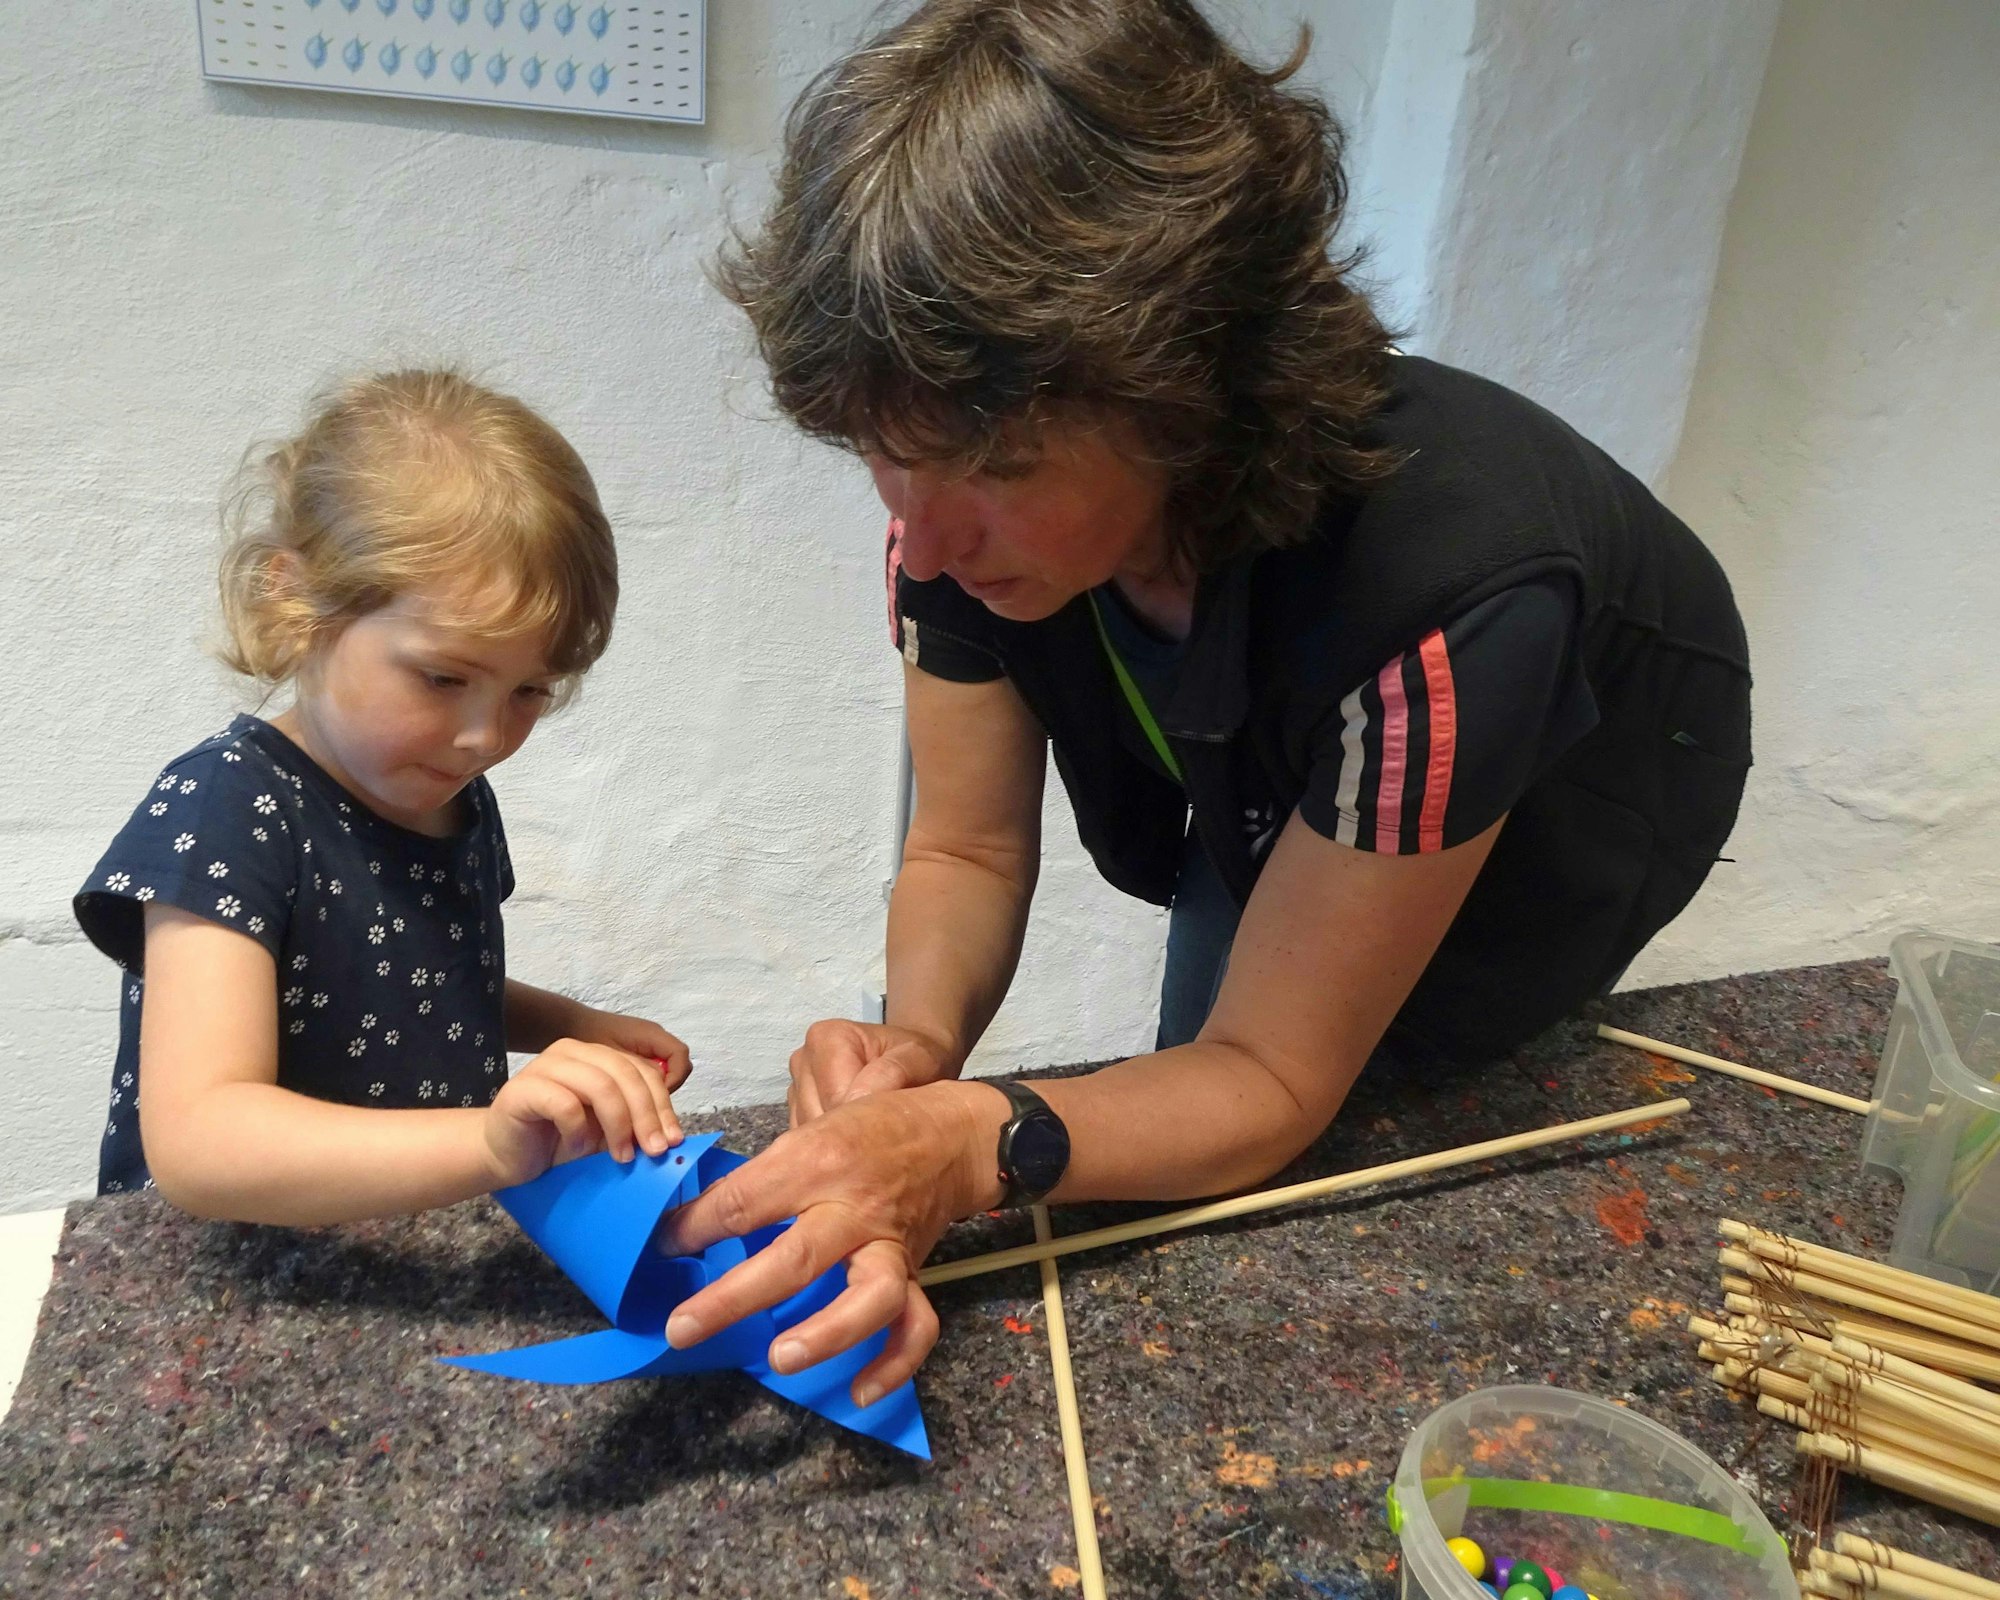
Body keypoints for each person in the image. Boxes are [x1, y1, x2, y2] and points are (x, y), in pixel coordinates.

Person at [660, 0, 1751, 1410]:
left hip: (1583, 773)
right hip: (1332, 693)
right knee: (1183, 1090)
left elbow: (1272, 1077)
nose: (921, 545)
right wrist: (919, 1065)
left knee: (1353, 1119)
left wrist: (977, 1145)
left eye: (991, 468)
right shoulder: (955, 514)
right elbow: (964, 851)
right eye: (884, 459)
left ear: (1182, 385)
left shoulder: (1452, 603)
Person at [74, 371, 688, 1224]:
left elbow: (412, 984)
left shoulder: (452, 794)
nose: (485, 737)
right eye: (443, 677)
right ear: (297, 599)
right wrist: (486, 1145)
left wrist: (569, 1024)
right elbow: (198, 1138)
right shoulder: (229, 805)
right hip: (228, 1272)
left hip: (404, 1244)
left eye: (530, 693)